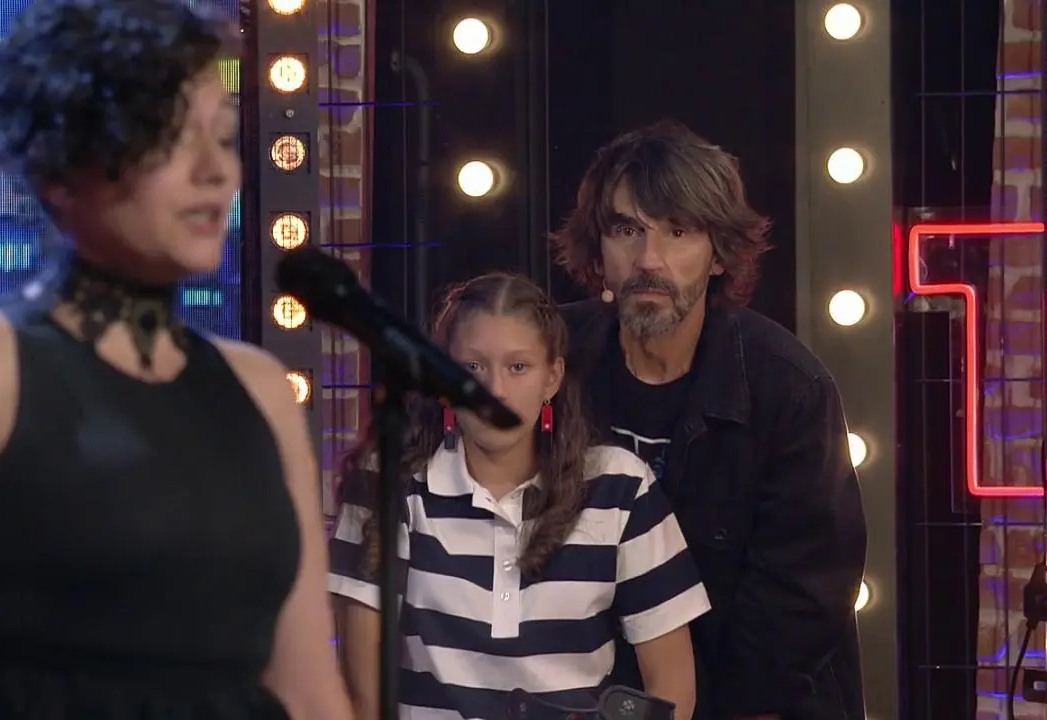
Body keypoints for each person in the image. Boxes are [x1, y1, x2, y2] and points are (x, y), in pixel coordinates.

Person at [0, 2, 353, 718]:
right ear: (61, 169)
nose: (215, 172)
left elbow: (309, 691)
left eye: (225, 138)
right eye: (168, 139)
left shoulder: (260, 389)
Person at [550, 120, 868, 720]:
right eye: (627, 230)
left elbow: (801, 600)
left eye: (678, 231)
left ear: (719, 253)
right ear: (599, 249)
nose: (649, 260)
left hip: (754, 701)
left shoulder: (787, 387)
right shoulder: (548, 362)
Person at [329, 272, 710, 720]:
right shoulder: (389, 481)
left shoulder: (620, 486)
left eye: (518, 367)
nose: (496, 391)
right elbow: (362, 693)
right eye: (473, 367)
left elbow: (673, 685)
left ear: (553, 377)